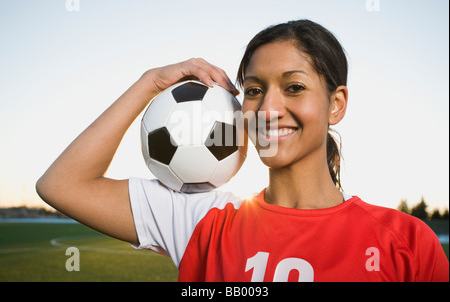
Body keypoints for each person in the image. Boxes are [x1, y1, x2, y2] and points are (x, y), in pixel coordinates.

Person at [36, 19, 449, 282]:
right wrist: (151, 83)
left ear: (336, 104)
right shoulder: (201, 220)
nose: (268, 109)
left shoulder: (407, 244)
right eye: (254, 90)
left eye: (294, 87)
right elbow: (62, 184)